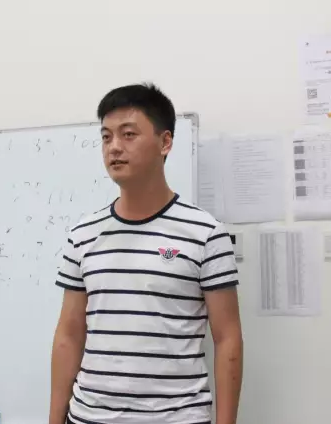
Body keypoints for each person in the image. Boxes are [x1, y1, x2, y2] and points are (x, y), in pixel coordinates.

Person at [49, 83, 243, 424]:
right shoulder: (83, 235)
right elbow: (69, 334)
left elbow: (228, 339)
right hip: (90, 416)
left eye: (128, 134)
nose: (114, 147)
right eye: (106, 137)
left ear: (165, 142)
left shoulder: (206, 233)